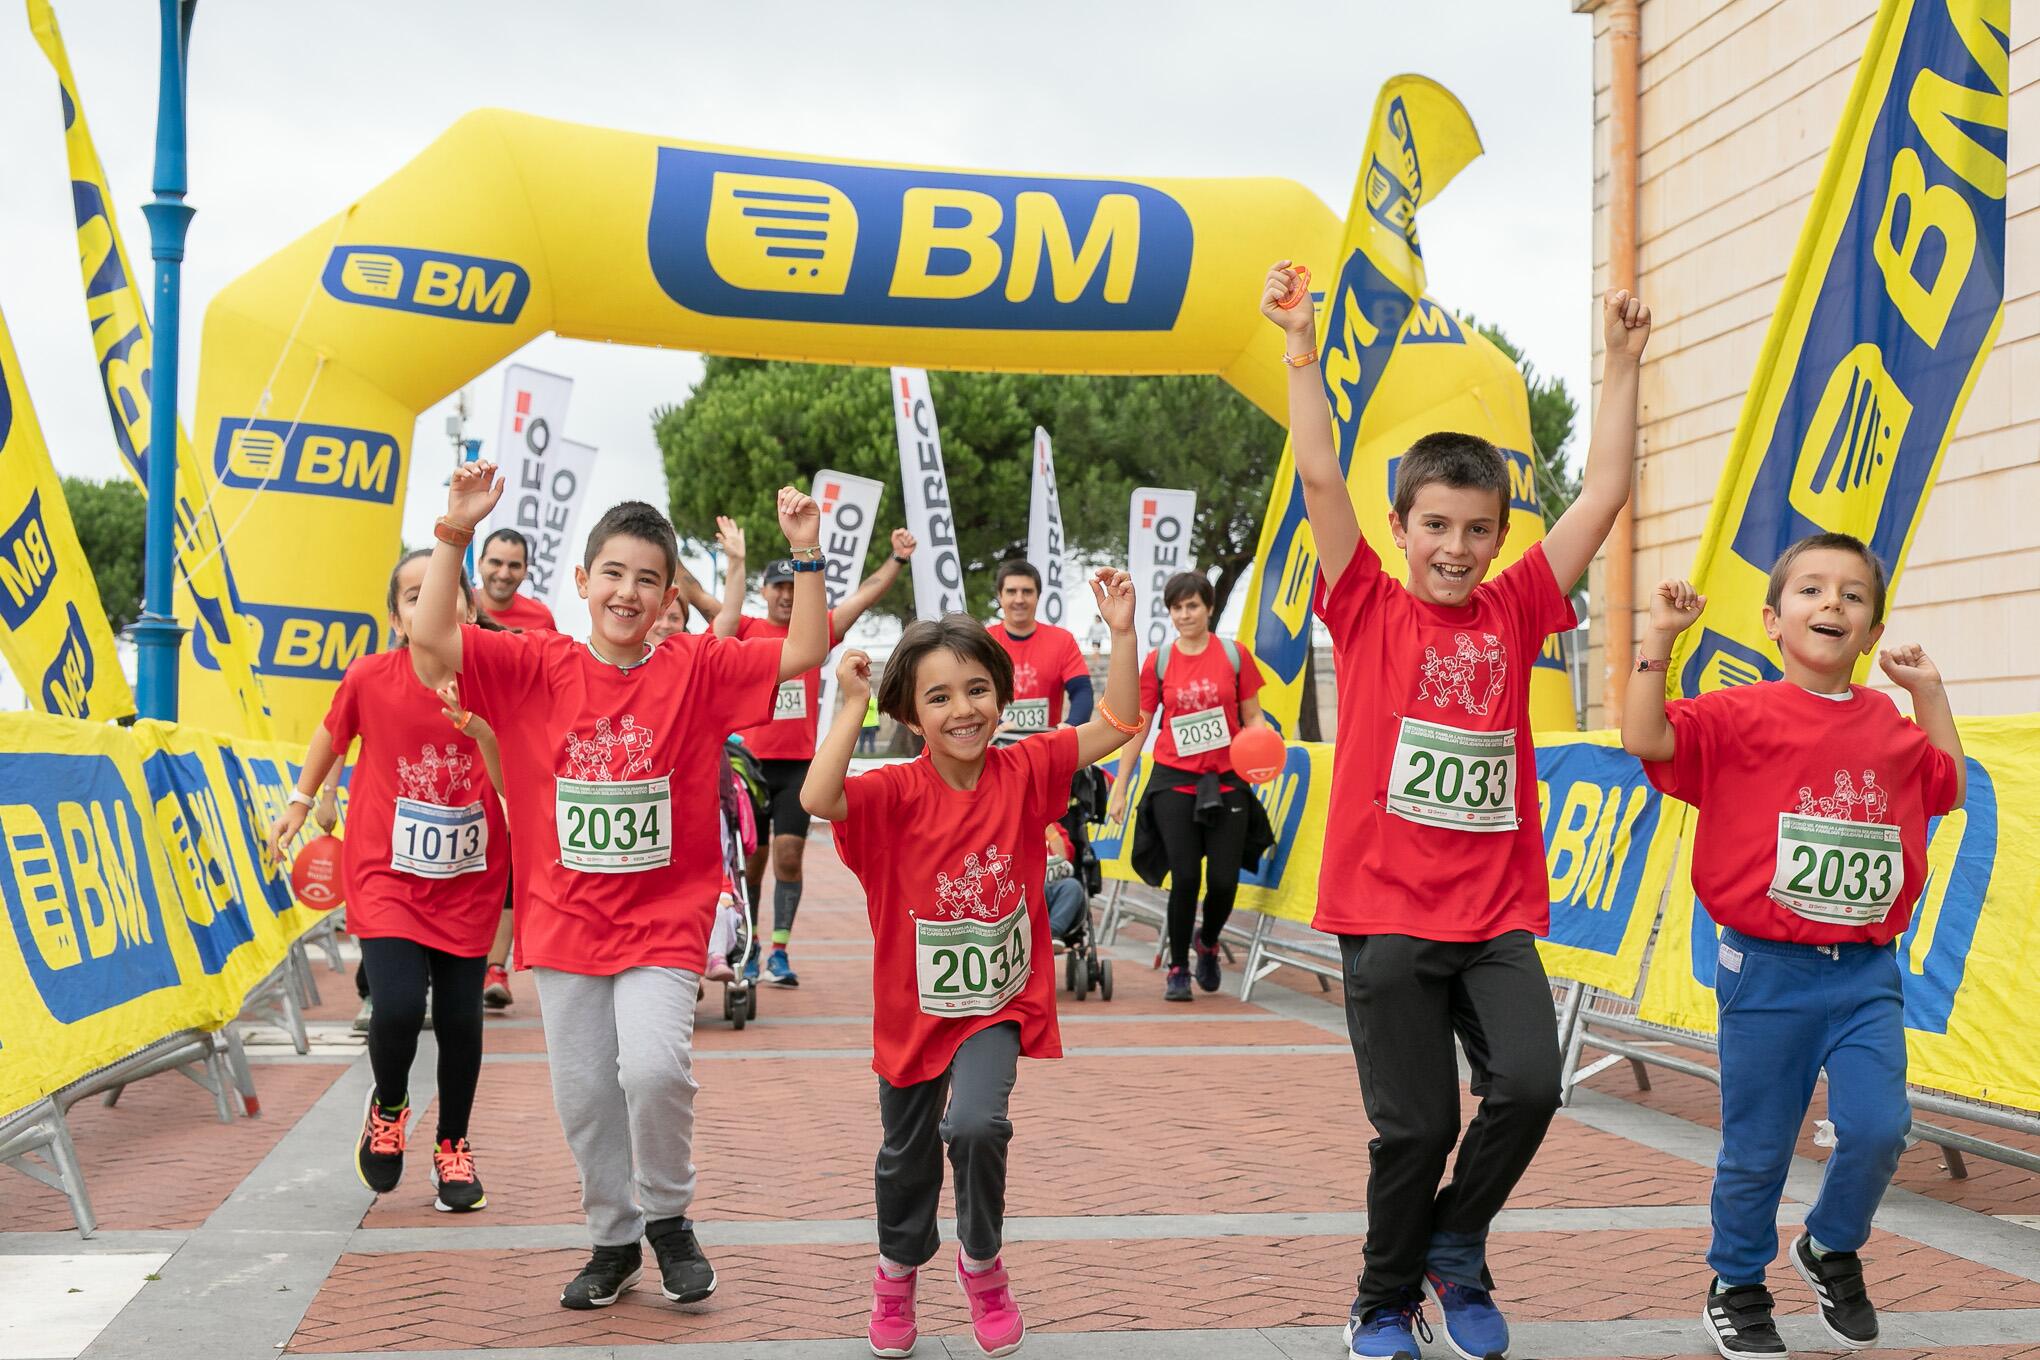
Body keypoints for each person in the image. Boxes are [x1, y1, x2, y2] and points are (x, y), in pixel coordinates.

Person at [1265, 262, 1653, 1360]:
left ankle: (1453, 1244)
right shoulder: (1366, 605)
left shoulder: (1521, 602)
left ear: (1498, 534)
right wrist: (1301, 345)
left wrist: (1622, 363)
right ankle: (1381, 1301)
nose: (1456, 547)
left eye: (1478, 528)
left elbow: (1605, 492)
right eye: (1436, 524)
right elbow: (1319, 479)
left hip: (1491, 915)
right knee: (1419, 1125)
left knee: (1530, 1085)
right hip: (1385, 916)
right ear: (1401, 526)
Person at [409, 463, 828, 1311]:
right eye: (613, 574)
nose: (627, 592)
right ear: (582, 581)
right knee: (590, 1092)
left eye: (647, 578)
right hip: (563, 922)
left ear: (670, 594)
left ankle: (668, 1218)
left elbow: (805, 650)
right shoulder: (536, 665)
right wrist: (455, 528)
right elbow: (433, 640)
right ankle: (613, 1238)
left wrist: (808, 554)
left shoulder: (696, 669)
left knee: (656, 1067)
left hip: (664, 920)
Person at [1623, 541, 1963, 1359]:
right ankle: (1737, 1284)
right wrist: (1660, 640)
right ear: (1774, 620)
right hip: (1767, 972)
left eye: (1851, 596)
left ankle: (1831, 1246)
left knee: (1881, 1127)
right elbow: (1648, 738)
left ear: (1871, 630)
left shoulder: (1886, 725)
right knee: (1760, 1147)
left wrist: (1929, 693)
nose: (1832, 604)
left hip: (1866, 973)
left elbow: (1946, 783)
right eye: (1811, 590)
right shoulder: (1737, 713)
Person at [801, 569, 1142, 1360]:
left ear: (1003, 697)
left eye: (978, 690)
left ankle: (983, 1265)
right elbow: (820, 799)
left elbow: (1120, 721)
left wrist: (1121, 633)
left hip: (996, 1003)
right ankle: (896, 1274)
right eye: (941, 697)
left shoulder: (1024, 771)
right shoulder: (891, 794)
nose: (965, 710)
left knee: (978, 1124)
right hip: (911, 1010)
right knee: (906, 1156)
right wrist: (850, 706)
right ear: (914, 716)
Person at [267, 551, 509, 1213]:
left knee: (461, 1019)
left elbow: (521, 767)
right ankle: (391, 1106)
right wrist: (298, 801)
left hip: (468, 878)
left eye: (443, 590)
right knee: (399, 1006)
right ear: (398, 618)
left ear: (466, 603)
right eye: (411, 595)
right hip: (386, 874)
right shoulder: (372, 677)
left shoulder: (496, 677)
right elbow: (330, 735)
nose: (427, 604)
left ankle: (453, 1146)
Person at [701, 518, 918, 987]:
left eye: (791, 587)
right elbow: (693, 593)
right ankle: (751, 945)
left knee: (789, 859)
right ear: (763, 591)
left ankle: (779, 950)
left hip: (799, 765)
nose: (785, 595)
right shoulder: (743, 626)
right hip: (751, 767)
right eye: (777, 587)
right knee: (751, 863)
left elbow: (866, 595)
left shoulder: (816, 630)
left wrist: (897, 559)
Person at [1107, 570, 1269, 1001]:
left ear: (1210, 608)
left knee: (1222, 881)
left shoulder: (1235, 656)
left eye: (1192, 605)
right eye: (1177, 607)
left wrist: (1263, 748)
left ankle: (1208, 942)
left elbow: (1253, 716)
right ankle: (1177, 966)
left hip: (1227, 780)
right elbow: (1138, 726)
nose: (1185, 614)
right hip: (1175, 781)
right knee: (1184, 878)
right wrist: (1120, 787)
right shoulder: (1159, 661)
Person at [988, 560, 1092, 734]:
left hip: (1046, 746)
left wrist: (1071, 725)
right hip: (994, 745)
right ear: (1000, 596)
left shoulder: (1062, 640)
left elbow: (1082, 690)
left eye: (1027, 592)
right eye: (1011, 591)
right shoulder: (984, 640)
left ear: (1038, 596)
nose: (1019, 599)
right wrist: (996, 723)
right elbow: (969, 694)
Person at [476, 527, 558, 631]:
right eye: (496, 563)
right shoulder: (457, 609)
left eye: (514, 566)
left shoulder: (542, 619)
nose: (503, 575)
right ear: (480, 564)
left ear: (525, 570)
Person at [857, 691, 882, 755]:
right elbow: (877, 713)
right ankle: (872, 752)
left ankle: (860, 752)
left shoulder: (862, 702)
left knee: (862, 741)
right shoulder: (875, 701)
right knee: (872, 741)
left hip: (863, 725)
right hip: (872, 725)